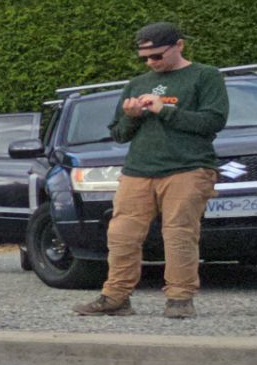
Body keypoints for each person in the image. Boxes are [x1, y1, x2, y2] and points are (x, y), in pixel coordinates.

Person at [74, 22, 228, 319]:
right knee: (121, 234)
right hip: (138, 170)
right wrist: (132, 117)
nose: (151, 63)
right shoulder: (136, 83)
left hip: (188, 167)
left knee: (179, 234)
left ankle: (180, 299)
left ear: (179, 45)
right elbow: (118, 133)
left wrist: (163, 109)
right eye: (145, 57)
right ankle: (115, 297)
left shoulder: (205, 76)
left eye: (157, 56)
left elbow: (212, 122)